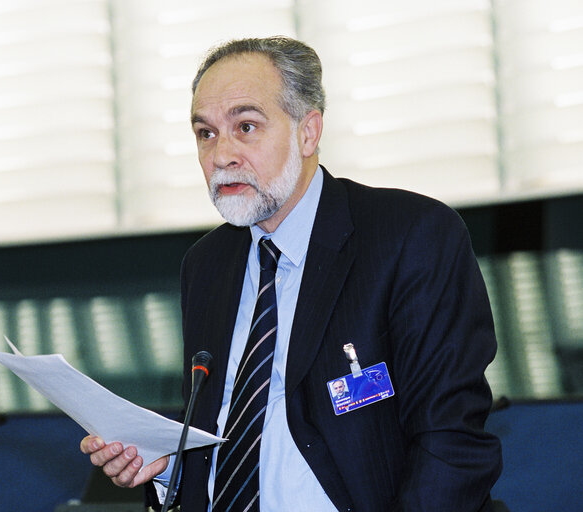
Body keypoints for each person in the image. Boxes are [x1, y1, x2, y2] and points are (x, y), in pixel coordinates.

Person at [81, 36, 502, 511]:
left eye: (246, 126)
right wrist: (167, 468)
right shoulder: (206, 264)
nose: (222, 156)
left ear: (308, 132)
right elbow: (226, 435)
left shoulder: (410, 236)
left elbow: (451, 443)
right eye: (206, 133)